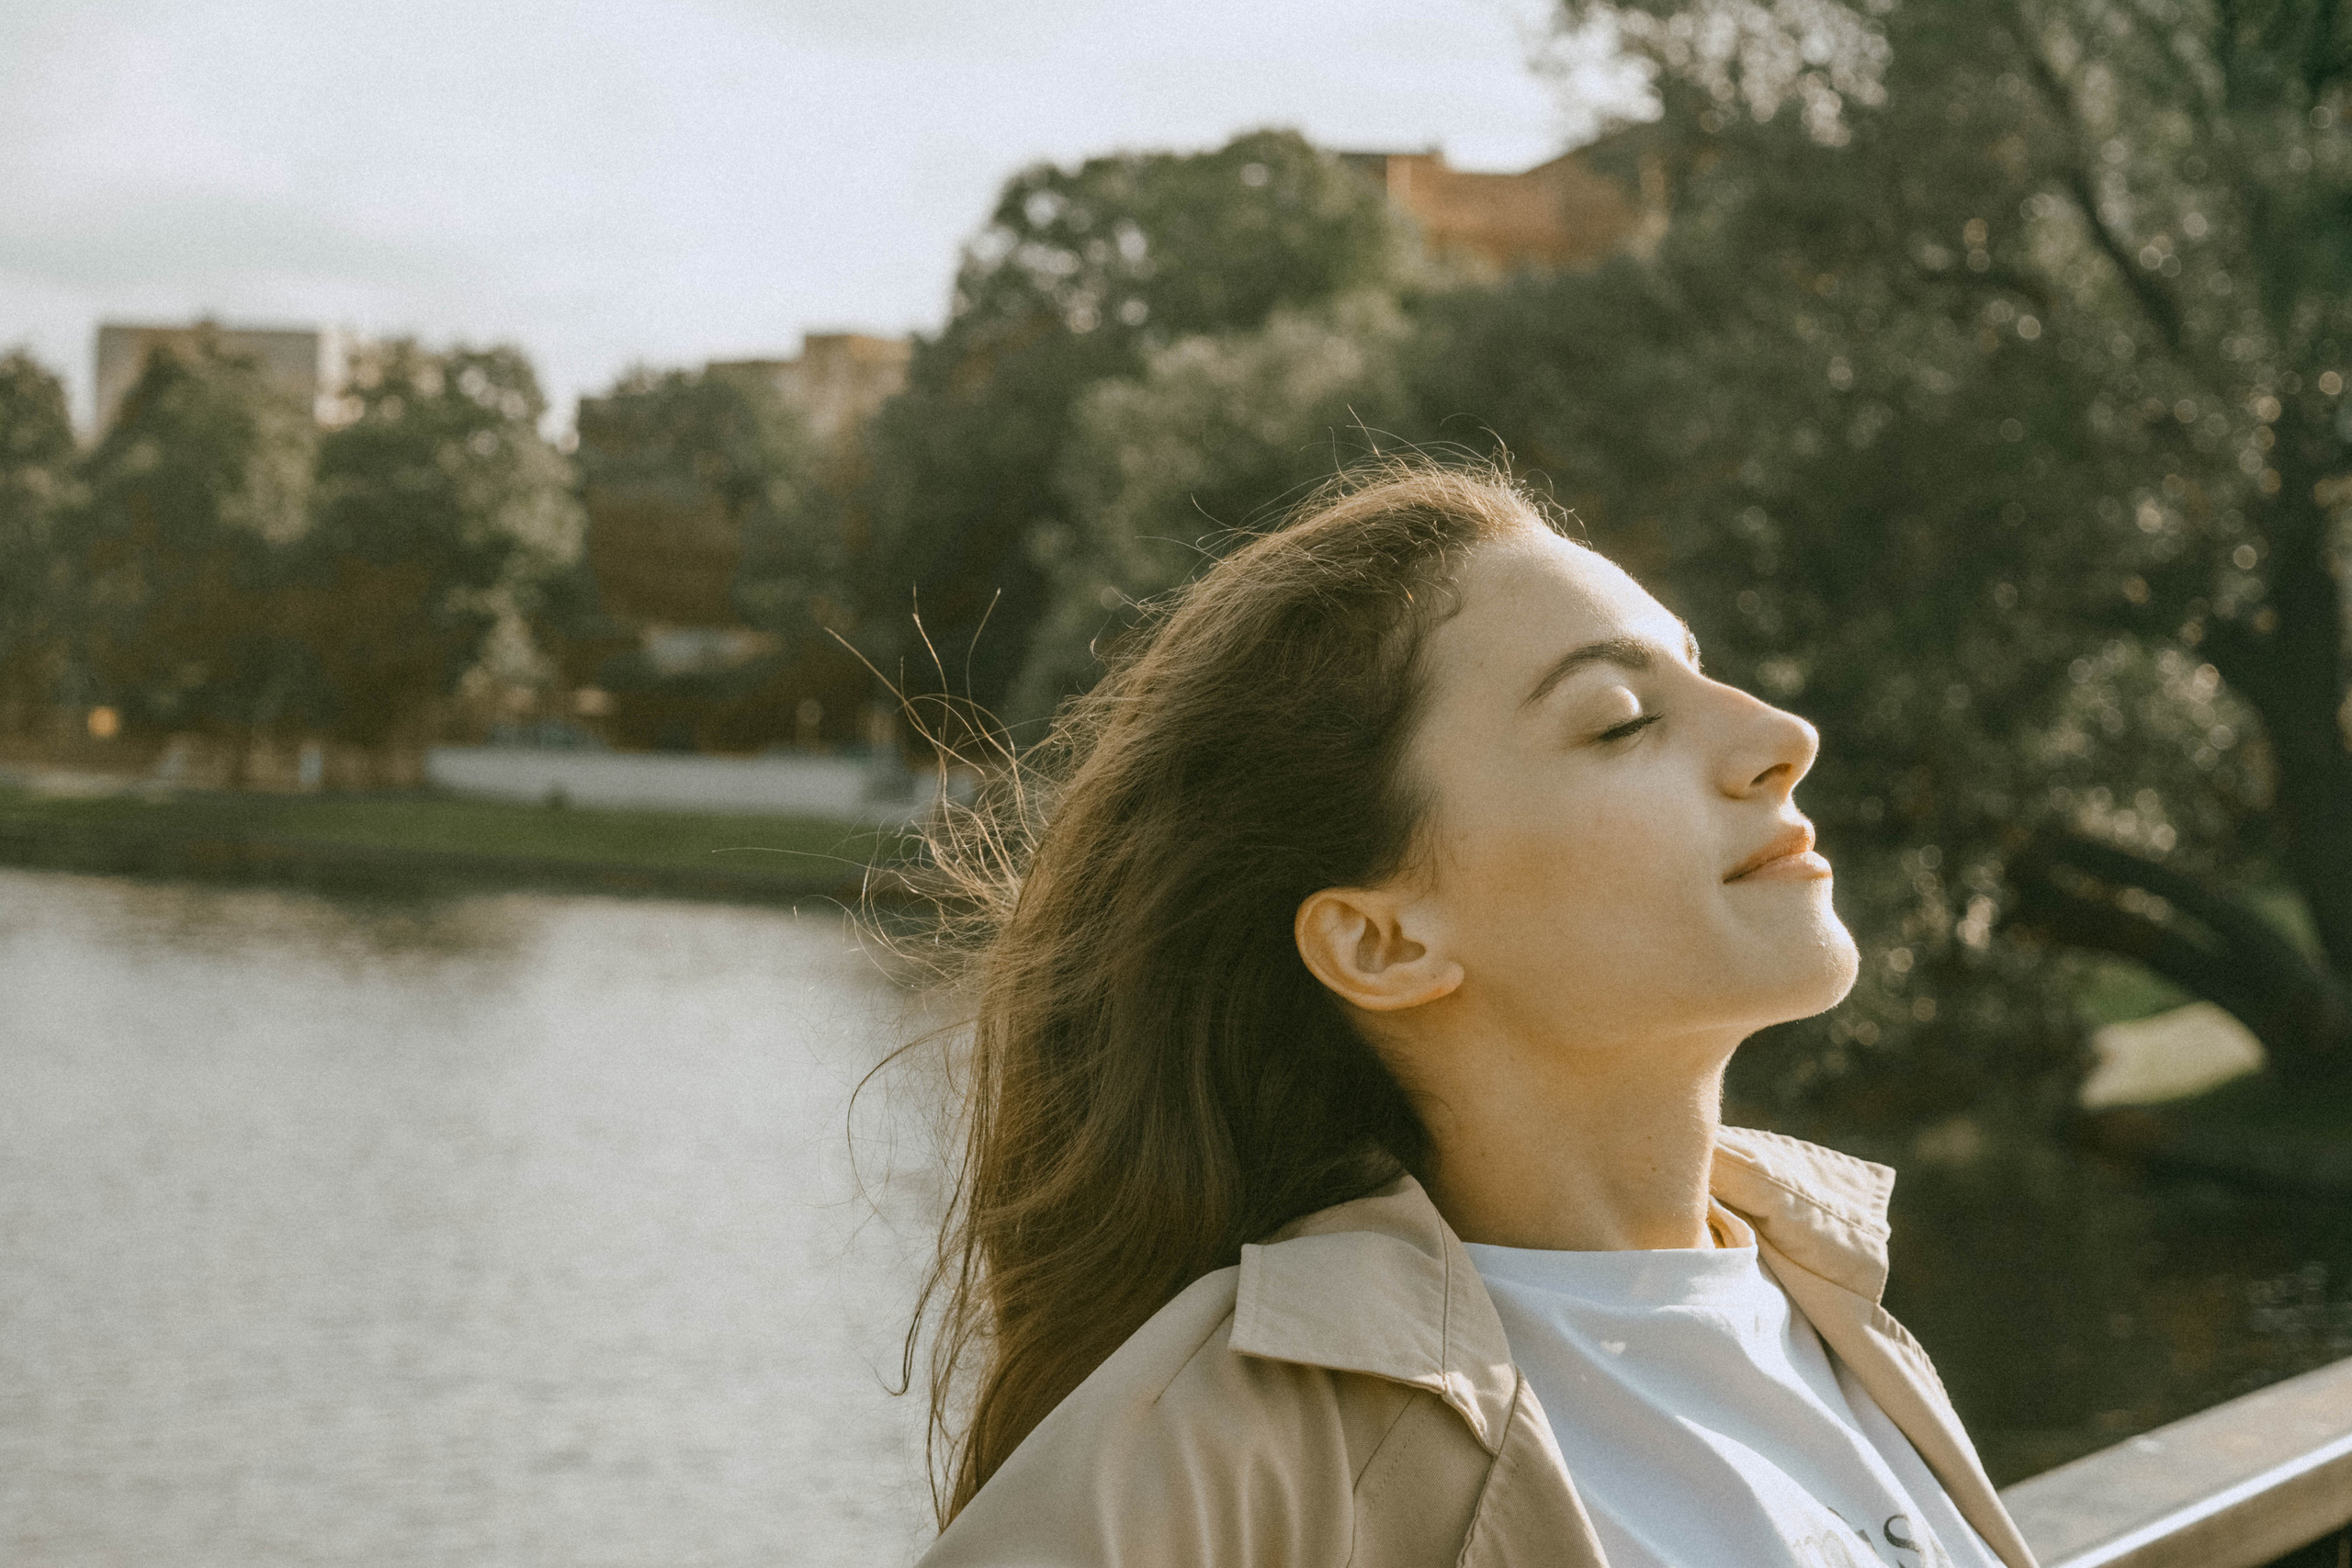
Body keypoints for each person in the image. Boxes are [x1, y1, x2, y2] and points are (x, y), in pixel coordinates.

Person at [898, 462, 2037, 1567]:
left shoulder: (1818, 1298)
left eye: (1703, 675)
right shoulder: (1239, 1436)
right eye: (1621, 720)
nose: (1783, 736)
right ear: (1384, 942)